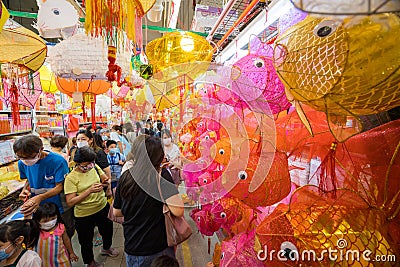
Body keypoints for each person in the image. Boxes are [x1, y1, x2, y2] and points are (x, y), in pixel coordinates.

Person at [113, 135, 185, 267]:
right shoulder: (161, 175)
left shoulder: (126, 176)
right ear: (159, 155)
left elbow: (117, 212)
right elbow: (178, 211)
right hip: (158, 246)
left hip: (133, 246)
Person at [64, 147, 119, 267]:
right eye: (87, 164)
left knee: (107, 230)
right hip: (84, 214)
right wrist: (89, 191)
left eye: (91, 162)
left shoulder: (93, 167)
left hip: (102, 206)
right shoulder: (71, 178)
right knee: (86, 241)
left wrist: (106, 182)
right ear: (78, 163)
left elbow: (104, 177)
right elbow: (70, 202)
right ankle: (90, 262)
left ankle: (106, 248)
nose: (90, 165)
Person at [13, 135, 75, 238]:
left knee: (66, 230)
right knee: (43, 234)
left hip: (59, 205)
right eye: (22, 157)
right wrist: (24, 190)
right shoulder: (22, 163)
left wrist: (40, 197)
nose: (26, 160)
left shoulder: (58, 161)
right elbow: (28, 179)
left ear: (41, 149)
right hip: (38, 206)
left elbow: (60, 186)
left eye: (30, 157)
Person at [33, 202, 78, 267]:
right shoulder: (36, 230)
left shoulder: (61, 227)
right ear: (37, 221)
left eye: (53, 219)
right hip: (43, 261)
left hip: (61, 259)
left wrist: (71, 252)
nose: (50, 222)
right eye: (45, 221)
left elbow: (66, 240)